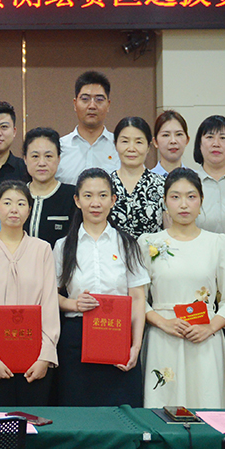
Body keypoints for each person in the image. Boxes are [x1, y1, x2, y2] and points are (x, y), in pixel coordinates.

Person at [139, 169, 225, 408]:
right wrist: (163, 323)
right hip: (163, 337)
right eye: (175, 197)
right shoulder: (148, 243)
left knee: (207, 403)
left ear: (201, 200)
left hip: (205, 338)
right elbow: (138, 299)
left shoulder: (219, 243)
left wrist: (210, 327)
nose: (183, 204)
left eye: (191, 196)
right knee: (162, 407)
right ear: (165, 201)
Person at [54, 168, 148, 407]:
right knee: (78, 409)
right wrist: (73, 304)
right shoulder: (63, 246)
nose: (95, 203)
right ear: (77, 200)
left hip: (118, 335)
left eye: (103, 195)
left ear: (113, 200)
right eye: (88, 196)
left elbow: (138, 298)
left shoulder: (127, 244)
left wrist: (135, 346)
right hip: (76, 338)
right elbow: (51, 296)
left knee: (121, 410)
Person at [0, 180, 60, 406]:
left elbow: (50, 304)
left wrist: (45, 356)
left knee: (34, 419)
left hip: (35, 345)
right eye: (7, 203)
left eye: (21, 203)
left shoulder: (42, 249)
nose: (14, 209)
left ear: (29, 210)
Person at [108, 116, 165, 239]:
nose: (131, 148)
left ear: (148, 147)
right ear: (115, 144)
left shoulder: (162, 185)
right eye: (125, 141)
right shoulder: (106, 185)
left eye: (139, 142)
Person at [57, 71, 118, 185]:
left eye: (99, 100)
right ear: (75, 104)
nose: (92, 106)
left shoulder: (119, 147)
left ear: (108, 105)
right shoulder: (60, 148)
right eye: (85, 99)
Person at [22, 127, 79, 247]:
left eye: (48, 156)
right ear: (25, 159)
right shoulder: (16, 195)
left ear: (58, 159)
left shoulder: (73, 197)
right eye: (35, 156)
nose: (42, 163)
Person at [150, 110, 190, 177]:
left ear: (187, 140)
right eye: (166, 135)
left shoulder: (195, 178)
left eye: (179, 134)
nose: (173, 141)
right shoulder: (147, 179)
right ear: (155, 142)